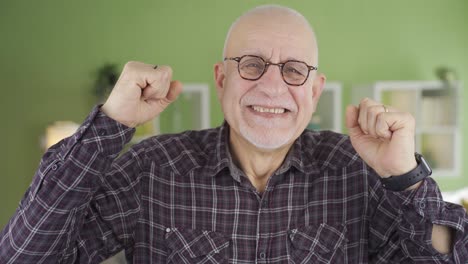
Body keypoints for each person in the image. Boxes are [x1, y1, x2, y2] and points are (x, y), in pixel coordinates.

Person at [1, 5, 467, 263]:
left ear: (315, 89)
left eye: (293, 69)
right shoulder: (152, 169)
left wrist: (406, 179)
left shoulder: (358, 172)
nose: (271, 84)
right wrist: (110, 123)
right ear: (222, 79)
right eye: (251, 64)